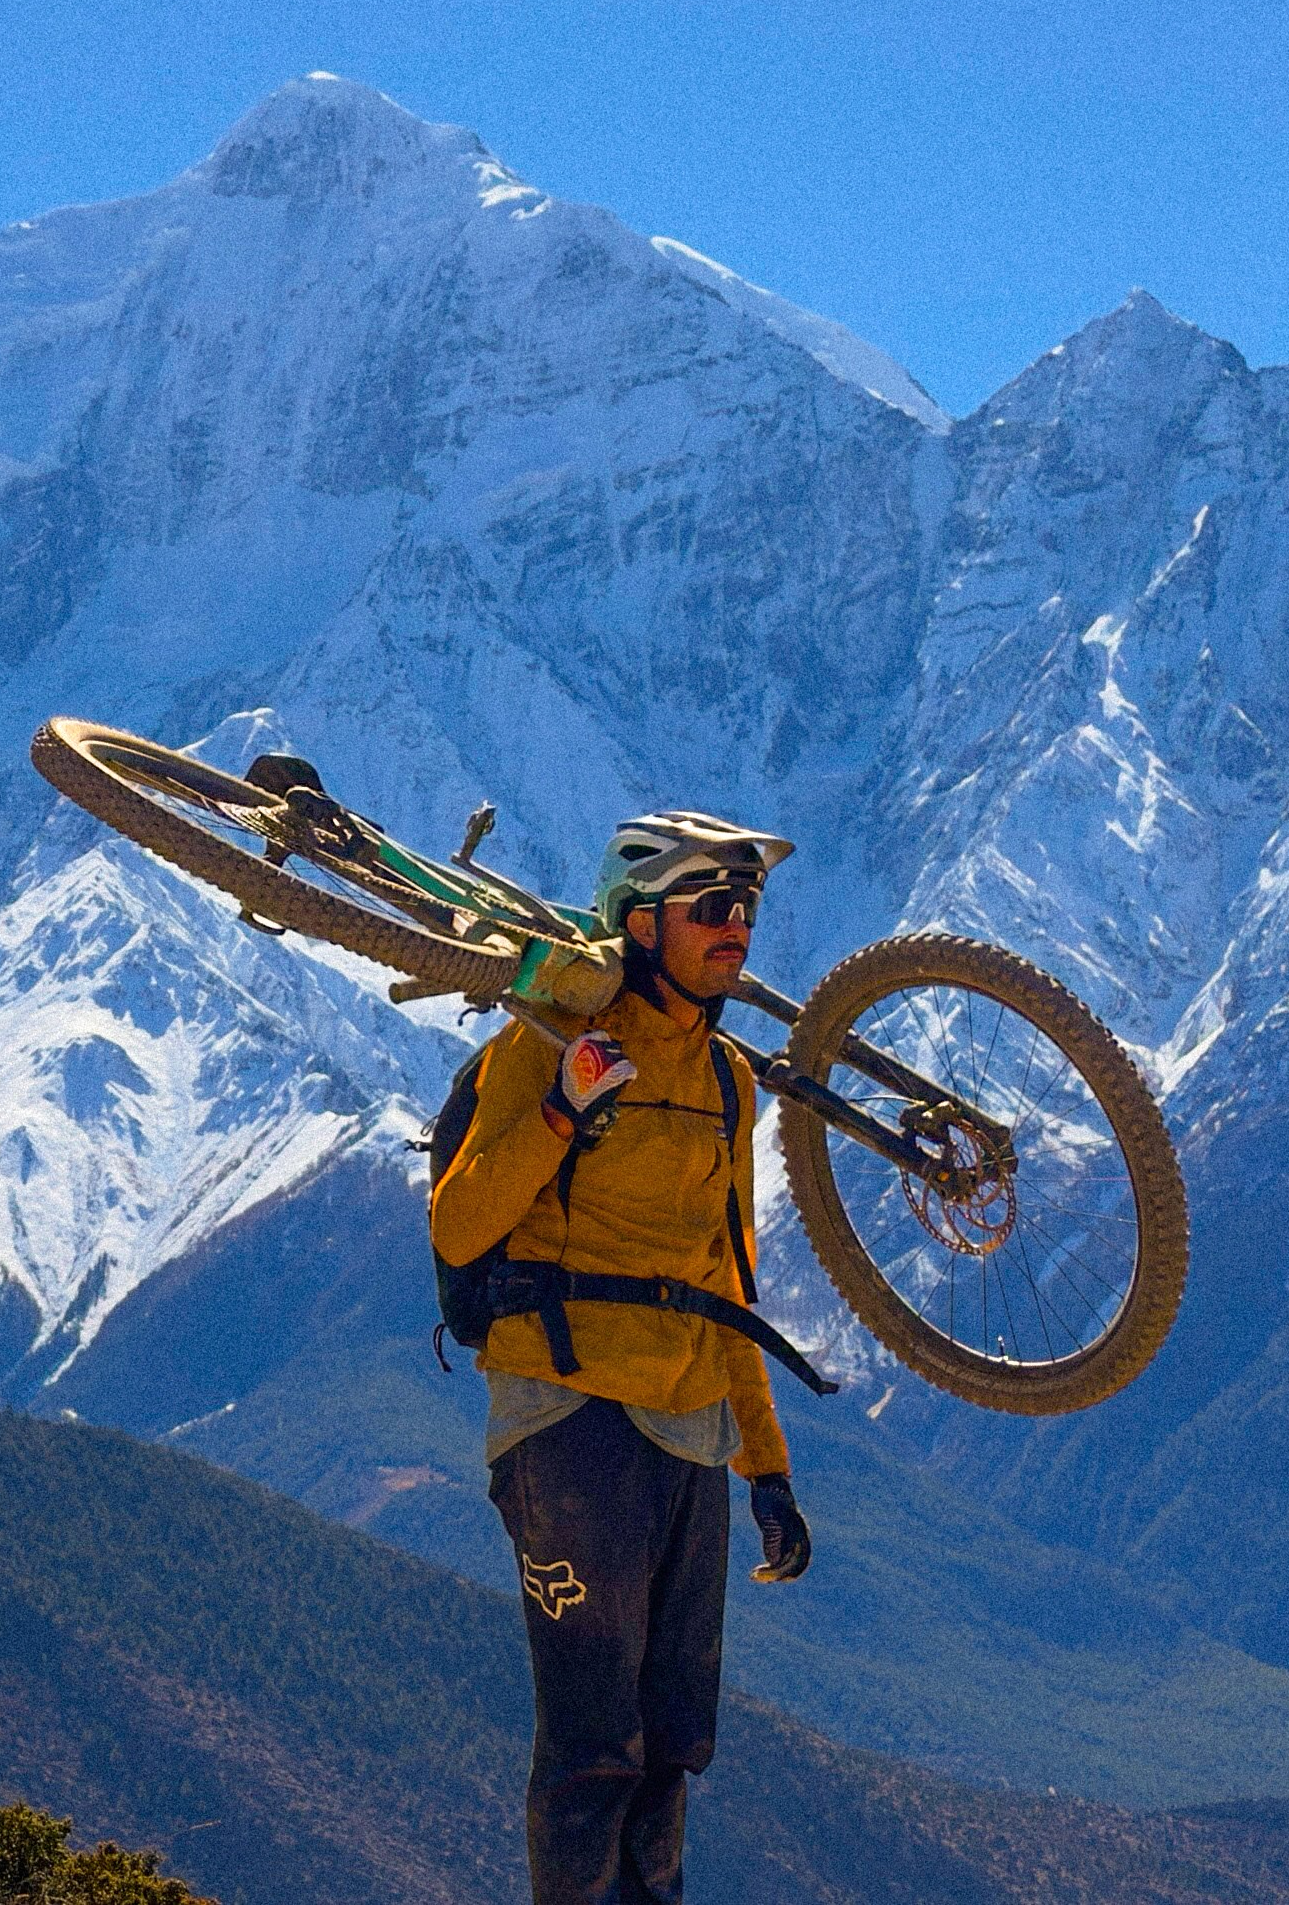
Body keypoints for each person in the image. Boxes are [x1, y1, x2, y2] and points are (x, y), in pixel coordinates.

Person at [428, 811, 813, 1905]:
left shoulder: (729, 1079)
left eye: (747, 907)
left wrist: (768, 1471)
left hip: (688, 1426)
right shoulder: (549, 1039)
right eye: (711, 907)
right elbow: (459, 1225)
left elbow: (725, 1282)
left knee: (672, 1743)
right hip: (566, 1415)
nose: (737, 927)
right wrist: (563, 1108)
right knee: (593, 1747)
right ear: (640, 926)